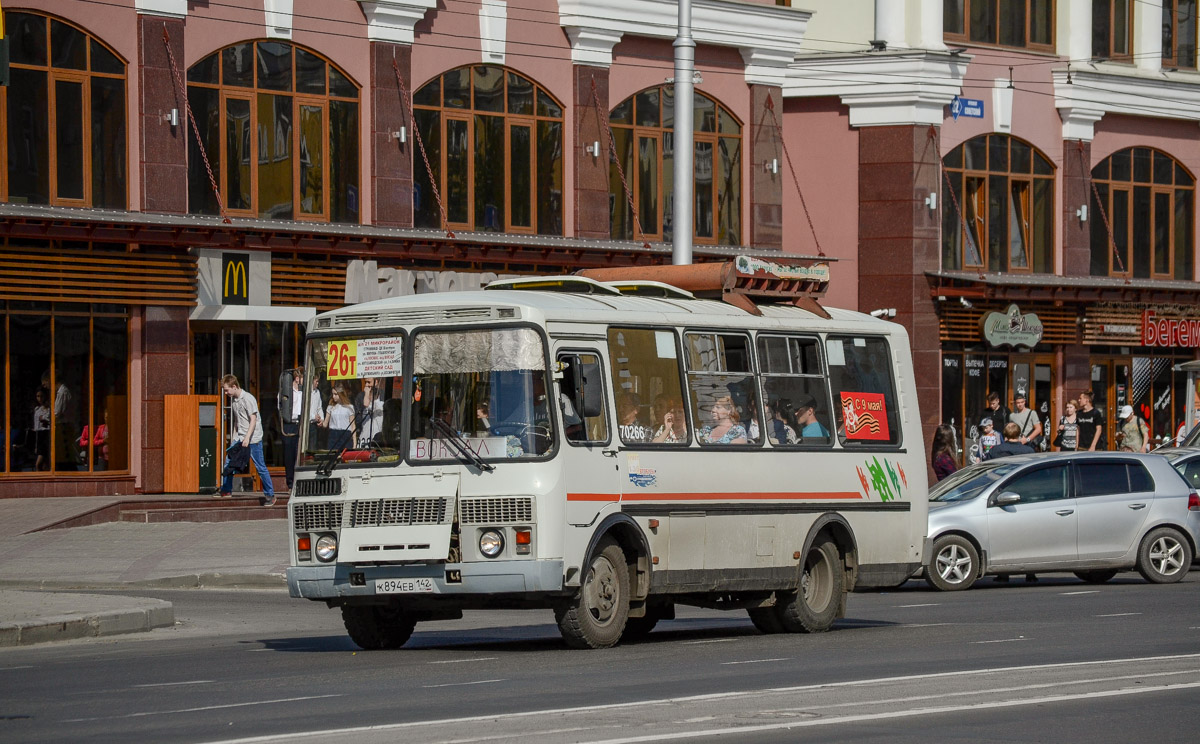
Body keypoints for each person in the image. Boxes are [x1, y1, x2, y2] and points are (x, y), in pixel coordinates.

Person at [219, 374, 276, 506]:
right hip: (240, 437)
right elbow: (237, 421)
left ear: (234, 386)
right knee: (229, 463)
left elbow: (253, 420)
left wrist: (247, 438)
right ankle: (226, 490)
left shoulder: (248, 399)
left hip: (252, 438)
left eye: (227, 390)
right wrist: (234, 437)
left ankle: (270, 495)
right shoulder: (234, 400)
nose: (226, 393)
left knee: (260, 466)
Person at [278, 367, 304, 493]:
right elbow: (281, 407)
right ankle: (290, 483)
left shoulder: (305, 392)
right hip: (290, 423)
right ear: (297, 379)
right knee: (289, 454)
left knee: (301, 454)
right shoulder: (286, 392)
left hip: (302, 424)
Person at [322, 384, 357, 451]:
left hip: (345, 434)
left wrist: (354, 443)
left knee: (345, 456)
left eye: (335, 394)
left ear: (340, 394)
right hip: (333, 434)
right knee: (332, 455)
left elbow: (353, 426)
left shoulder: (349, 407)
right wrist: (320, 421)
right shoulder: (330, 407)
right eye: (332, 394)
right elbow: (325, 423)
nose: (333, 396)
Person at [356, 378, 385, 444]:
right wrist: (366, 394)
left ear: (376, 382)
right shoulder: (361, 397)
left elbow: (367, 405)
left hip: (376, 437)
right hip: (364, 438)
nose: (366, 385)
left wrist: (367, 394)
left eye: (369, 382)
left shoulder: (381, 400)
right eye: (365, 382)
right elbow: (365, 405)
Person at [32, 388, 50, 471]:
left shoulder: (49, 408)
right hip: (39, 435)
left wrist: (44, 419)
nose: (39, 398)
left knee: (39, 464)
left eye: (41, 396)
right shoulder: (37, 409)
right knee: (43, 464)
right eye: (37, 396)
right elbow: (36, 427)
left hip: (46, 434)